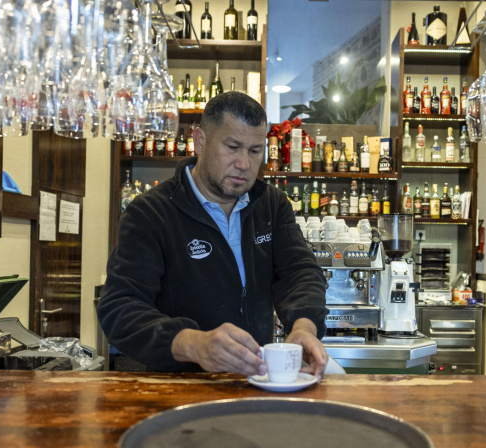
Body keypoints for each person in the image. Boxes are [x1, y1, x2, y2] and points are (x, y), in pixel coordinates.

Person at [97, 92, 329, 380]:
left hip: (254, 383)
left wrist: (304, 327)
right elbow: (120, 307)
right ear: (200, 141)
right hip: (179, 389)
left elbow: (300, 272)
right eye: (232, 147)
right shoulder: (150, 212)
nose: (244, 163)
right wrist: (194, 344)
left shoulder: (271, 204)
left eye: (255, 151)